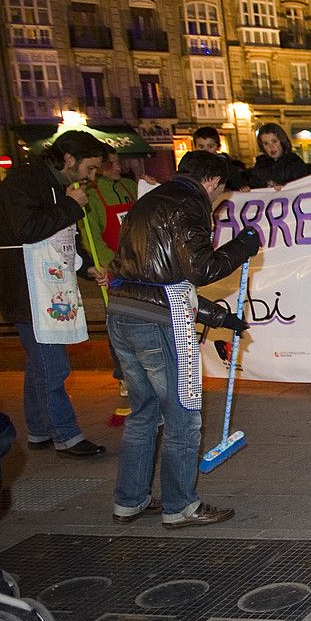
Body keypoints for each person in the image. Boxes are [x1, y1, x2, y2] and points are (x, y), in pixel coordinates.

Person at [106, 150, 260, 529]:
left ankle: (130, 500)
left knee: (144, 414)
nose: (216, 199)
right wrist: (244, 246)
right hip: (157, 323)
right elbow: (201, 269)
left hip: (123, 311)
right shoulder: (188, 203)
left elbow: (165, 279)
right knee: (183, 415)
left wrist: (222, 317)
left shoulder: (149, 202)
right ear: (211, 181)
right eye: (220, 192)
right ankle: (180, 506)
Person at [0, 130, 109, 458]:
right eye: (89, 168)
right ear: (69, 159)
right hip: (27, 288)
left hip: (50, 288)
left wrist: (87, 267)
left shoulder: (60, 185)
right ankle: (66, 435)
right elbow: (27, 229)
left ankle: (39, 429)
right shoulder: (22, 181)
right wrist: (72, 205)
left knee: (40, 362)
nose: (92, 176)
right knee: (53, 365)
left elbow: (65, 239)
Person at [85, 145, 138, 398]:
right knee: (117, 324)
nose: (117, 168)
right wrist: (112, 264)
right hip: (116, 270)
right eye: (110, 164)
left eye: (118, 162)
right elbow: (91, 238)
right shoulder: (92, 195)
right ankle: (123, 375)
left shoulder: (130, 187)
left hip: (140, 268)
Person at [250, 123, 311, 188]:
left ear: (282, 141)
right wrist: (245, 188)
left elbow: (302, 186)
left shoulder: (294, 162)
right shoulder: (260, 165)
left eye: (274, 141)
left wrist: (284, 188)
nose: (271, 147)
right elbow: (253, 185)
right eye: (266, 143)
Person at [193, 125, 249, 190]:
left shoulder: (225, 164)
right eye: (201, 147)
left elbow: (235, 179)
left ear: (218, 147)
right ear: (195, 147)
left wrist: (241, 186)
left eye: (210, 146)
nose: (206, 151)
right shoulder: (192, 165)